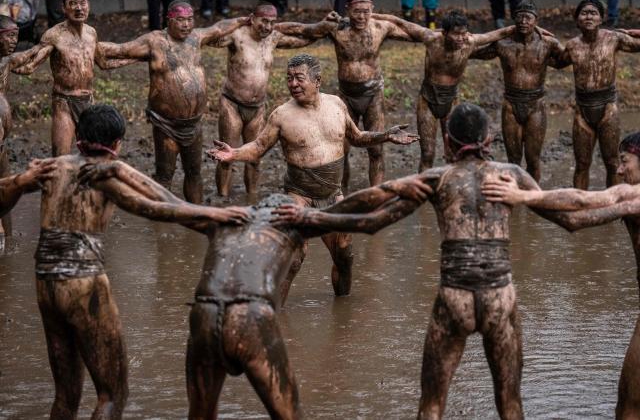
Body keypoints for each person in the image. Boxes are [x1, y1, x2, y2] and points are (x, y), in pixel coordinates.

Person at [275, 102, 576, 419]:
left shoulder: (437, 178)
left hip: (454, 298)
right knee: (511, 404)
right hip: (498, 296)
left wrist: (309, 219)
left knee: (432, 405)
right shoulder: (511, 175)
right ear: (489, 141)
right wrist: (623, 205)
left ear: (448, 142)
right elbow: (568, 220)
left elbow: (374, 221)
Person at [80, 157, 430, 419]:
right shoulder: (293, 222)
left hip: (203, 313)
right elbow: (364, 218)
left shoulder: (226, 220)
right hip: (249, 316)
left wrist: (118, 170)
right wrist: (402, 191)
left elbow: (168, 203)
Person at [0, 104, 249, 419]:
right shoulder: (104, 172)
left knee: (66, 395)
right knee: (112, 394)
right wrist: (220, 215)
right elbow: (156, 208)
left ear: (77, 135)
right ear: (117, 144)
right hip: (83, 282)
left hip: (45, 283)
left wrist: (22, 180)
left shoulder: (52, 168)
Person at [208, 53, 418, 300]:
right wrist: (233, 154)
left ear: (317, 81)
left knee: (345, 255)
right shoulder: (281, 115)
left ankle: (343, 317)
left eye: (299, 78)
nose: (293, 84)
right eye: (289, 78)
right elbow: (257, 148)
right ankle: (273, 311)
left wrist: (385, 135)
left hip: (333, 195)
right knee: (294, 256)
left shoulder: (336, 105)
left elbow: (357, 137)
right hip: (300, 195)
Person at [482, 131, 640, 420]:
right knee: (628, 407)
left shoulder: (635, 194)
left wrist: (524, 193)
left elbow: (580, 206)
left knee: (629, 410)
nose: (618, 170)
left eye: (625, 161)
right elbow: (573, 219)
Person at [101, 2, 249, 204]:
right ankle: (161, 222)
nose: (186, 24)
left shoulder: (196, 37)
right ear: (169, 20)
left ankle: (196, 217)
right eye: (180, 20)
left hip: (194, 123)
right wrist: (90, 45)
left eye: (189, 19)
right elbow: (121, 49)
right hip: (166, 124)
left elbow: (217, 28)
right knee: (164, 175)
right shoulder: (154, 40)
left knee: (194, 172)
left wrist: (242, 20)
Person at [275, 0, 418, 191]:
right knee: (341, 148)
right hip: (347, 97)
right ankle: (340, 193)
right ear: (348, 9)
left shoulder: (380, 27)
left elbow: (415, 33)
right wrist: (271, 34)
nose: (361, 17)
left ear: (372, 9)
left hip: (373, 95)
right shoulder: (337, 28)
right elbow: (303, 33)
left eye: (366, 12)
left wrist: (438, 35)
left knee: (376, 150)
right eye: (357, 12)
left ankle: (376, 194)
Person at [371, 10, 518, 170]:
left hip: (451, 101)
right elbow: (400, 23)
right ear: (445, 32)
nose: (461, 38)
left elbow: (503, 31)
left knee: (454, 153)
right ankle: (424, 192)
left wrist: (535, 29)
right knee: (427, 153)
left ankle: (452, 188)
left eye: (464, 33)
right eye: (456, 34)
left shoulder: (470, 41)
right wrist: (371, 16)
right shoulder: (431, 38)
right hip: (428, 101)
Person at [11, 0, 135, 156]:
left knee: (96, 156)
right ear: (64, 8)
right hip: (64, 102)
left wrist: (134, 59)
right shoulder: (54, 35)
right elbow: (30, 64)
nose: (78, 8)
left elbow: (103, 63)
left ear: (88, 6)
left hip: (88, 101)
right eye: (73, 3)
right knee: (60, 157)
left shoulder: (91, 33)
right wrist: (8, 64)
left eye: (82, 3)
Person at [209, 3, 314, 197]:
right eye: (263, 21)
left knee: (254, 157)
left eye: (272, 22)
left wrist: (324, 29)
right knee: (226, 155)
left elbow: (303, 39)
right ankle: (222, 200)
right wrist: (237, 21)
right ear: (252, 18)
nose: (267, 26)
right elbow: (212, 35)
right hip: (232, 104)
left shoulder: (273, 38)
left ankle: (252, 200)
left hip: (257, 108)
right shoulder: (237, 35)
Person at [471, 2, 564, 181]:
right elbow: (474, 51)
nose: (523, 21)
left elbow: (568, 58)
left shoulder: (548, 44)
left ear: (536, 21)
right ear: (513, 20)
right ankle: (513, 199)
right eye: (519, 17)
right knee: (513, 159)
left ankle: (532, 202)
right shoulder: (503, 44)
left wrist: (546, 60)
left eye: (528, 17)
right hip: (511, 106)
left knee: (533, 159)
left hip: (535, 105)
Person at [553, 0, 640, 189]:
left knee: (612, 163)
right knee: (582, 165)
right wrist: (542, 38)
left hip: (608, 107)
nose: (589, 16)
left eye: (593, 13)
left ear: (601, 19)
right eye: (584, 13)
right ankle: (579, 208)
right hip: (582, 110)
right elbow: (554, 60)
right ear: (577, 20)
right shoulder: (572, 45)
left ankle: (615, 207)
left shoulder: (614, 38)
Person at [0, 16, 54, 248]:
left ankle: (7, 242)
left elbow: (30, 57)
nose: (14, 41)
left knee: (5, 184)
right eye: (9, 36)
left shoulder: (6, 61)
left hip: (2, 139)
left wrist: (50, 45)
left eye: (16, 35)